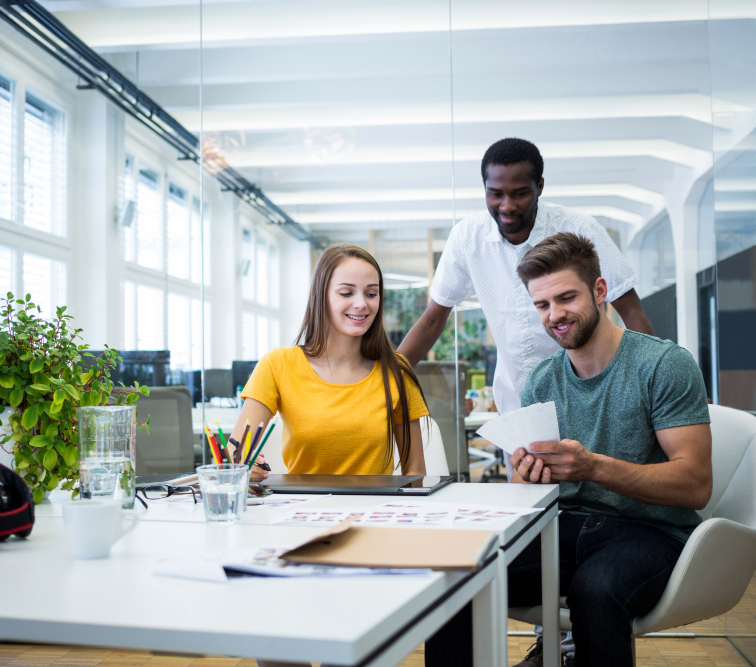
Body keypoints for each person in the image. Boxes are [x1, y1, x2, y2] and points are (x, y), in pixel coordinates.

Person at [428, 232, 712, 667]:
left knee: (596, 589)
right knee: (457, 575)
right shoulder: (542, 379)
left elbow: (695, 486)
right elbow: (529, 493)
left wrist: (593, 467)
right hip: (562, 526)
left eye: (566, 298)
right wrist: (526, 474)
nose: (554, 315)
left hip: (651, 531)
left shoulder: (663, 364)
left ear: (600, 292)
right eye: (542, 305)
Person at [398, 137, 654, 416]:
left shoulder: (578, 227)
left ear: (540, 187)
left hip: (590, 395)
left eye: (520, 193)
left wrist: (653, 382)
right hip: (517, 403)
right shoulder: (467, 238)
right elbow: (434, 318)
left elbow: (631, 310)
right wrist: (386, 381)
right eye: (495, 193)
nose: (507, 206)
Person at [230, 243, 430, 480]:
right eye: (347, 293)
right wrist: (244, 472)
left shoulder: (396, 371)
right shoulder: (278, 365)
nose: (361, 304)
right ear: (321, 296)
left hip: (372, 510)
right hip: (303, 510)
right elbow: (236, 456)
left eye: (371, 293)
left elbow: (416, 472)